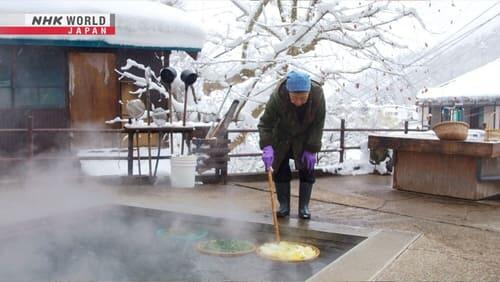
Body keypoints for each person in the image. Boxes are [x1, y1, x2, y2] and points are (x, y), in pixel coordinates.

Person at [258, 70, 326, 219]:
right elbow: (265, 124)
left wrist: (312, 148)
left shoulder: (318, 96)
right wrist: (267, 146)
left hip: (304, 138)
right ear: (288, 92)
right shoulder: (277, 97)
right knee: (280, 169)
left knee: (307, 170)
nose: (298, 102)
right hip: (281, 137)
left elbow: (318, 124)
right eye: (294, 98)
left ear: (309, 93)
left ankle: (304, 207)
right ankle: (284, 206)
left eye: (302, 98)